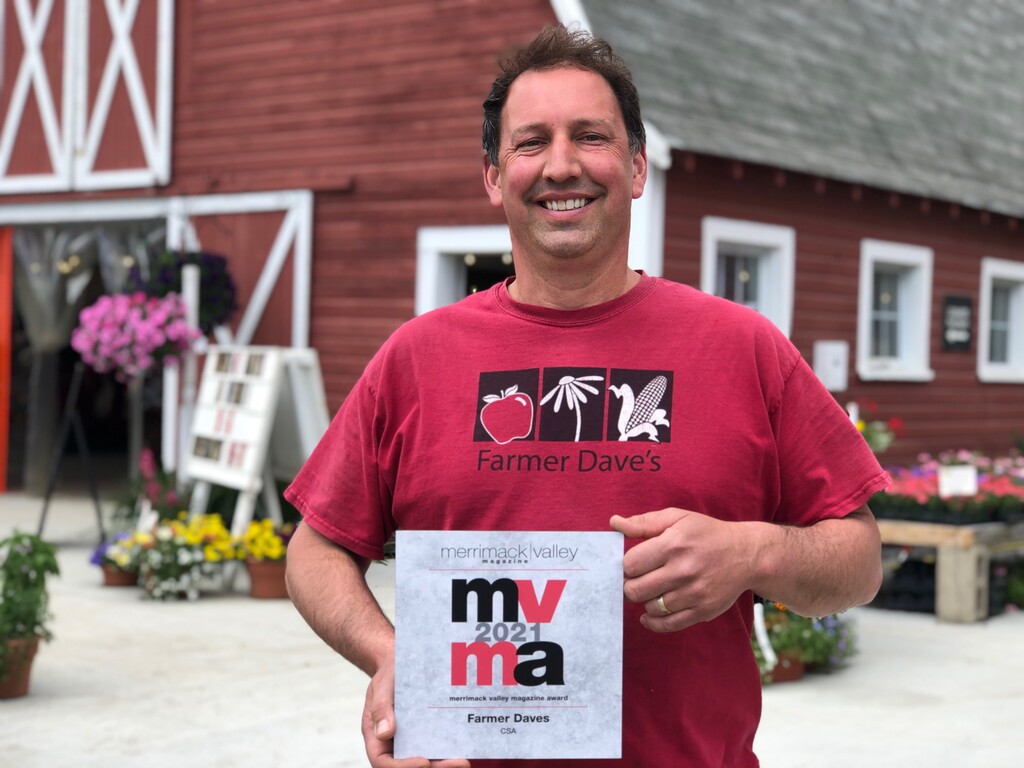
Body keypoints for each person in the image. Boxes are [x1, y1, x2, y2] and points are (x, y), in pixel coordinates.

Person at [284, 24, 887, 768]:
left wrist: (755, 551)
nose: (562, 165)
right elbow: (315, 548)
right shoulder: (417, 358)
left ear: (636, 168)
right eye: (531, 142)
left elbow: (860, 559)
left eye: (591, 136)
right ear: (494, 177)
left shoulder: (743, 348)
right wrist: (392, 658)